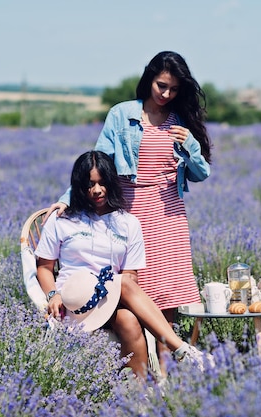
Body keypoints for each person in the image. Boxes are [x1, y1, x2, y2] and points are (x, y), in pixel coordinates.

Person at [46, 51, 212, 373]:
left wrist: (191, 147)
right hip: (132, 211)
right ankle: (139, 366)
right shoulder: (122, 115)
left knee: (167, 296)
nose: (165, 94)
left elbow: (200, 173)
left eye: (174, 89)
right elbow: (100, 160)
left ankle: (166, 373)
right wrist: (69, 198)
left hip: (169, 214)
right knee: (133, 291)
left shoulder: (181, 122)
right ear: (149, 79)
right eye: (161, 85)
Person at [35, 150, 211, 379]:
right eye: (89, 185)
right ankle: (182, 349)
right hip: (73, 303)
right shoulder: (63, 220)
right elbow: (44, 267)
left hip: (108, 302)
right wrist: (52, 295)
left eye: (102, 183)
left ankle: (137, 397)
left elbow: (130, 275)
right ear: (78, 187)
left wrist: (117, 287)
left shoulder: (128, 223)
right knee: (125, 285)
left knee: (128, 317)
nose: (97, 190)